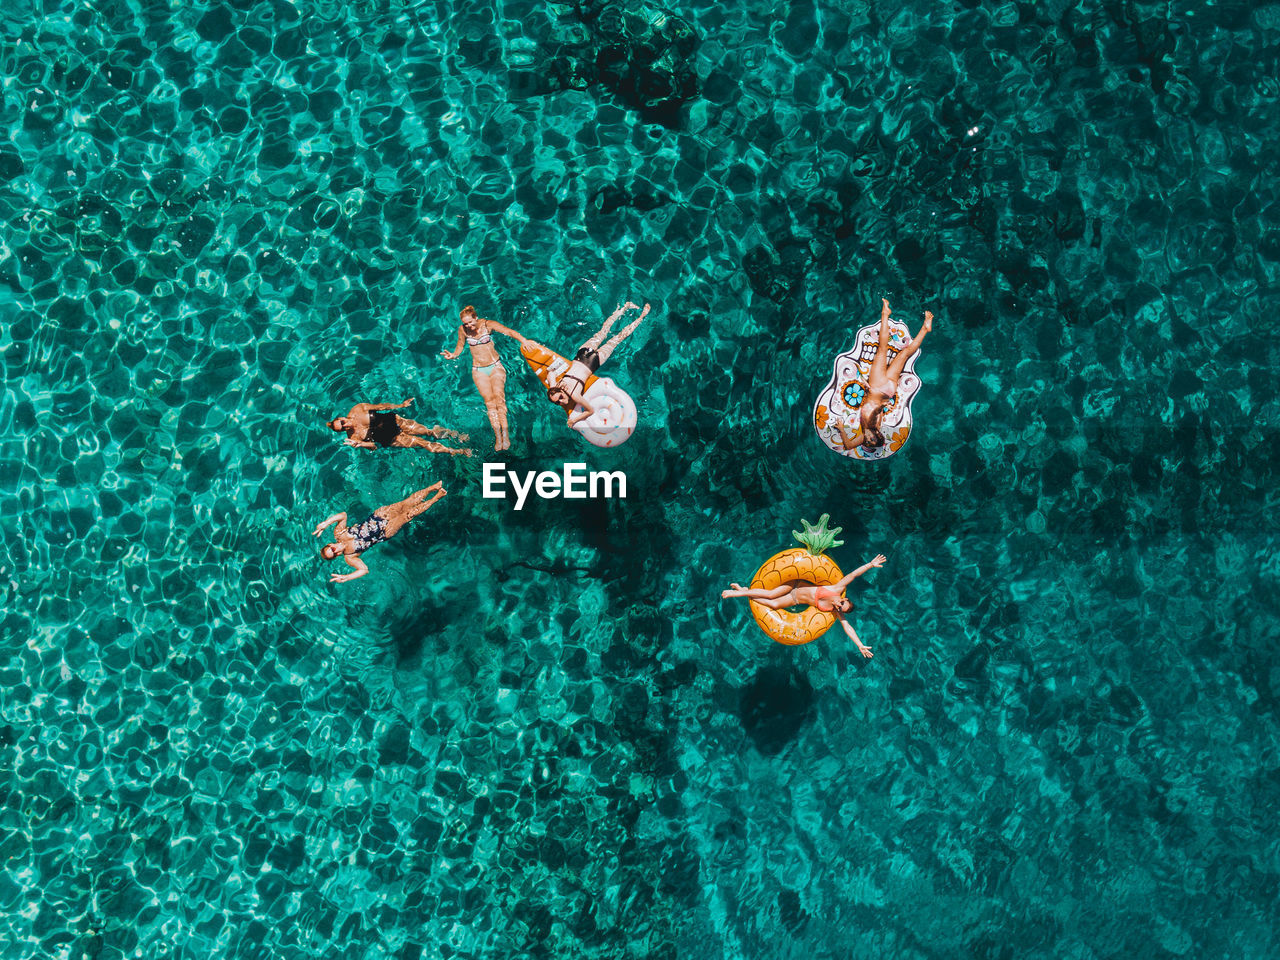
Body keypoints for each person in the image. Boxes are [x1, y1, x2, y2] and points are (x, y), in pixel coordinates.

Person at [721, 554, 887, 658]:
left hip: (794, 600)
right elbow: (853, 575)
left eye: (839, 608)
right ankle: (738, 593)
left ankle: (744, 591)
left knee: (773, 605)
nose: (838, 605)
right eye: (842, 603)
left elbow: (847, 627)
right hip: (794, 584)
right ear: (845, 598)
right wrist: (871, 565)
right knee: (771, 595)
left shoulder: (834, 611)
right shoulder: (837, 589)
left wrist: (859, 645)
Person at [838, 299, 933, 450]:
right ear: (877, 433)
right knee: (883, 348)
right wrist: (880, 405)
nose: (867, 439)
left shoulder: (869, 430)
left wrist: (842, 429)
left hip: (889, 391)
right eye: (871, 439)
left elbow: (849, 445)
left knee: (905, 354)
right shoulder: (871, 424)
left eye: (867, 441)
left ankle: (925, 328)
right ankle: (885, 314)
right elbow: (875, 413)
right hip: (878, 386)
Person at [544, 301, 650, 427]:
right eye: (557, 402)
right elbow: (550, 372)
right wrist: (555, 378)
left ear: (560, 391)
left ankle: (640, 314)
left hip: (590, 361)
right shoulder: (556, 387)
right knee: (609, 334)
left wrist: (574, 420)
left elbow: (590, 410)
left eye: (560, 397)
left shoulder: (575, 395)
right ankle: (626, 308)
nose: (561, 402)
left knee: (613, 336)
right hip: (582, 355)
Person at [314, 482, 447, 582]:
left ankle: (432, 488)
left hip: (377, 517)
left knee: (404, 504)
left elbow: (343, 515)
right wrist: (347, 577)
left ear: (330, 544)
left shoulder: (338, 534)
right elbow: (364, 570)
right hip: (384, 532)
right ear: (336, 556)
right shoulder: (349, 557)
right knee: (408, 515)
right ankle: (436, 498)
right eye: (334, 554)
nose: (336, 550)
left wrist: (326, 523)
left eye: (332, 548)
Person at [441, 305, 523, 451]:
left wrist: (524, 340)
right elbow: (460, 346)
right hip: (478, 370)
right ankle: (498, 437)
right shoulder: (463, 330)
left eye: (470, 322)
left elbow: (508, 331)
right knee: (489, 403)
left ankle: (506, 435)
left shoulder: (488, 325)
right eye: (465, 323)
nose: (468, 326)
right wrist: (453, 355)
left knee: (499, 399)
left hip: (496, 366)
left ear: (476, 318)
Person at [327, 399, 471, 455]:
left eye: (343, 422)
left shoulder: (358, 409)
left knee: (428, 432)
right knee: (424, 444)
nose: (346, 426)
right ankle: (457, 451)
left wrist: (400, 405)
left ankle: (455, 435)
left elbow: (381, 406)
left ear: (342, 417)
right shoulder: (353, 437)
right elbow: (374, 447)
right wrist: (361, 444)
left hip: (395, 421)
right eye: (343, 428)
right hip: (392, 438)